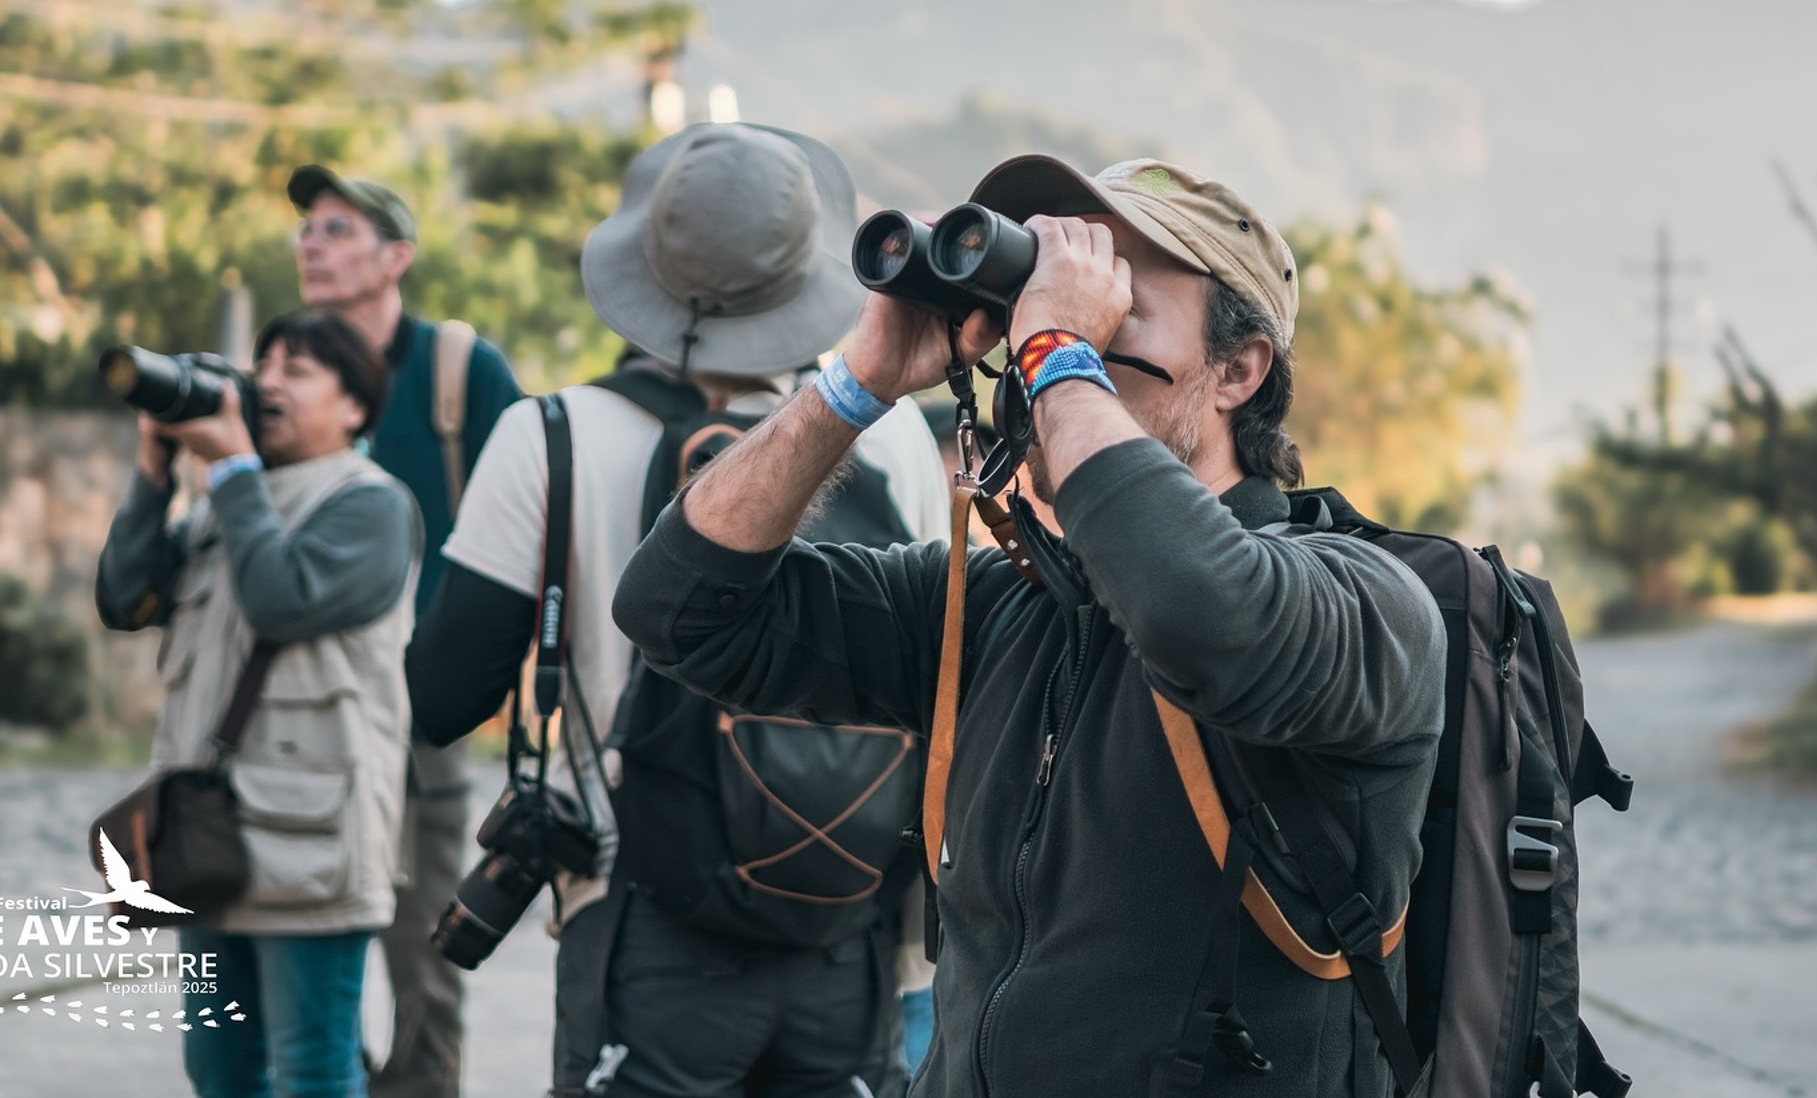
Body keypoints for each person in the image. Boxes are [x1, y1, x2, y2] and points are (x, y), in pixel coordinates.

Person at [613, 156, 1447, 1097]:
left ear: (1237, 371)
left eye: (1113, 299)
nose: (1046, 332)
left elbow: (1195, 615)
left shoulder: (1366, 605)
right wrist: (862, 379)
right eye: (1039, 296)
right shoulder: (993, 611)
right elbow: (679, 612)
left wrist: (1057, 347)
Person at [408, 122, 950, 1098]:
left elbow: (441, 698)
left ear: (646, 266)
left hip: (641, 922)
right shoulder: (895, 433)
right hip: (846, 917)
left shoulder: (550, 437)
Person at [96, 311, 422, 1098]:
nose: (269, 380)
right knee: (219, 1069)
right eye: (265, 362)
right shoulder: (223, 502)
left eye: (299, 369)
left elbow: (282, 598)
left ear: (355, 406)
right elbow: (123, 598)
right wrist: (153, 473)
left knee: (312, 1070)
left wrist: (235, 469)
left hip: (311, 847)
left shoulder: (370, 504)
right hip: (203, 840)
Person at [288, 164, 521, 1098]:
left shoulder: (462, 370)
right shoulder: (286, 371)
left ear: (397, 257)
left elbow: (533, 523)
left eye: (337, 229)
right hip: (305, 715)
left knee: (426, 942)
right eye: (306, 229)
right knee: (302, 938)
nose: (311, 243)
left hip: (424, 713)